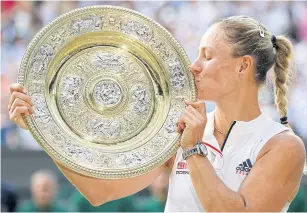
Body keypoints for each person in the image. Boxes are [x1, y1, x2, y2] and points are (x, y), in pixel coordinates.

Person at [8, 15, 306, 212]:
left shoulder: (282, 145)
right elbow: (102, 193)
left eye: (208, 56)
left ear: (243, 66)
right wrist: (42, 127)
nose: (194, 66)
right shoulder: (178, 129)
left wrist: (192, 148)